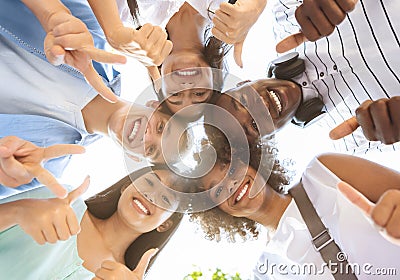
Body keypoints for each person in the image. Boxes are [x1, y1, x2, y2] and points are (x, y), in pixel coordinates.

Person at [189, 126, 400, 279]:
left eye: (231, 168)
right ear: (218, 211)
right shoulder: (266, 273)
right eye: (216, 191)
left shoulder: (324, 171)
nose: (231, 184)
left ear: (252, 162)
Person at [0, 166, 184, 279]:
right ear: (126, 186)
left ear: (165, 225)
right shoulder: (61, 203)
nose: (151, 195)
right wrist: (17, 210)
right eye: (150, 183)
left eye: (166, 200)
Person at [268, 0, 400, 154]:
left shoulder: (285, 16)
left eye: (241, 102)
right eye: (254, 126)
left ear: (244, 83)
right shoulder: (352, 139)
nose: (261, 109)